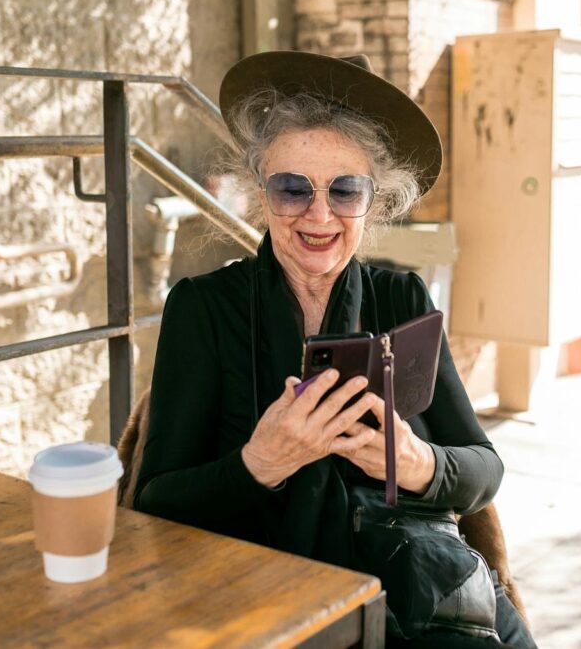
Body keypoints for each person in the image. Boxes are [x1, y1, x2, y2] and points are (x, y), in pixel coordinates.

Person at [134, 51, 537, 648]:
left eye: (345, 190)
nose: (319, 214)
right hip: (267, 605)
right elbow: (153, 504)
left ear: (373, 201)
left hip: (417, 592)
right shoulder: (202, 308)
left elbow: (484, 468)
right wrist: (260, 463)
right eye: (292, 188)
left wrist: (417, 462)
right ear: (260, 193)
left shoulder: (402, 297)